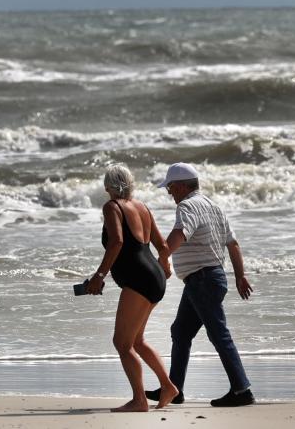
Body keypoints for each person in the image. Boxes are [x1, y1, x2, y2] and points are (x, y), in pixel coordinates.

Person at [146, 162, 255, 407]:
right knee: (180, 331)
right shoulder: (214, 207)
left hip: (202, 279)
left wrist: (161, 258)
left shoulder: (187, 206)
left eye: (170, 187)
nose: (169, 193)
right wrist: (240, 276)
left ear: (182, 186)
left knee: (219, 334)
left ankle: (242, 389)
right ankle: (174, 389)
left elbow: (180, 234)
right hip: (207, 278)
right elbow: (233, 244)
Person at [85, 164, 179, 412]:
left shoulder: (112, 207)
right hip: (153, 277)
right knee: (136, 340)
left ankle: (139, 400)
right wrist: (164, 268)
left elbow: (116, 241)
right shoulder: (143, 207)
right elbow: (163, 246)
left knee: (122, 343)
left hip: (139, 280)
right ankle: (168, 386)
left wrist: (100, 275)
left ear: (107, 187)